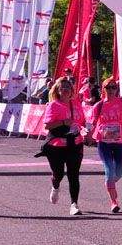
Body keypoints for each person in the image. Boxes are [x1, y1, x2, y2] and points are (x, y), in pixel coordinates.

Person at [42, 77, 88, 215]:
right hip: (57, 146)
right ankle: (55, 186)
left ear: (72, 90)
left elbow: (82, 121)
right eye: (62, 88)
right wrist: (63, 122)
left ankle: (74, 204)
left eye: (68, 88)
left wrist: (85, 129)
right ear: (57, 90)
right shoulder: (53, 105)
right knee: (59, 173)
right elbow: (48, 125)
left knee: (74, 175)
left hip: (75, 143)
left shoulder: (76, 104)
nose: (65, 90)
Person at [89, 77, 122, 213]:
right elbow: (92, 123)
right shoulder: (99, 105)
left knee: (118, 173)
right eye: (108, 87)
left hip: (120, 142)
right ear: (103, 89)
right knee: (109, 172)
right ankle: (114, 201)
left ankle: (110, 183)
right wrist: (87, 134)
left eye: (114, 87)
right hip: (104, 142)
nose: (111, 90)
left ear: (117, 89)